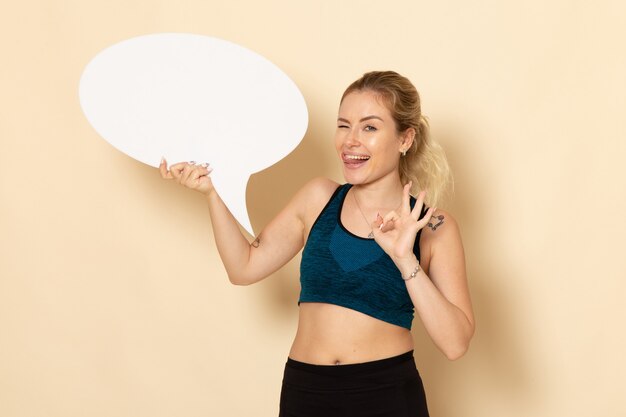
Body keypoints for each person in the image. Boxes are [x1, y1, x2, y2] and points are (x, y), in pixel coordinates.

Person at [160, 71, 474, 417]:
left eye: (369, 127)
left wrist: (404, 259)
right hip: (305, 391)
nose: (350, 141)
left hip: (385, 394)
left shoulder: (432, 226)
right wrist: (212, 194)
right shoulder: (318, 198)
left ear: (405, 139)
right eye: (343, 125)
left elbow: (455, 343)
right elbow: (244, 267)